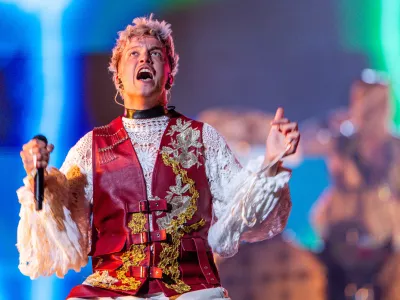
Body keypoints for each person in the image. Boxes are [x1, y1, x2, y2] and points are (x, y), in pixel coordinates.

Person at [17, 14, 300, 300]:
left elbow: (243, 211)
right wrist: (39, 178)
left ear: (169, 73)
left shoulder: (203, 138)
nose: (145, 60)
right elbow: (62, 226)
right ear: (117, 76)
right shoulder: (91, 147)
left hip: (191, 290)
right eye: (134, 54)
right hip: (111, 290)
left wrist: (271, 161)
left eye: (155, 54)